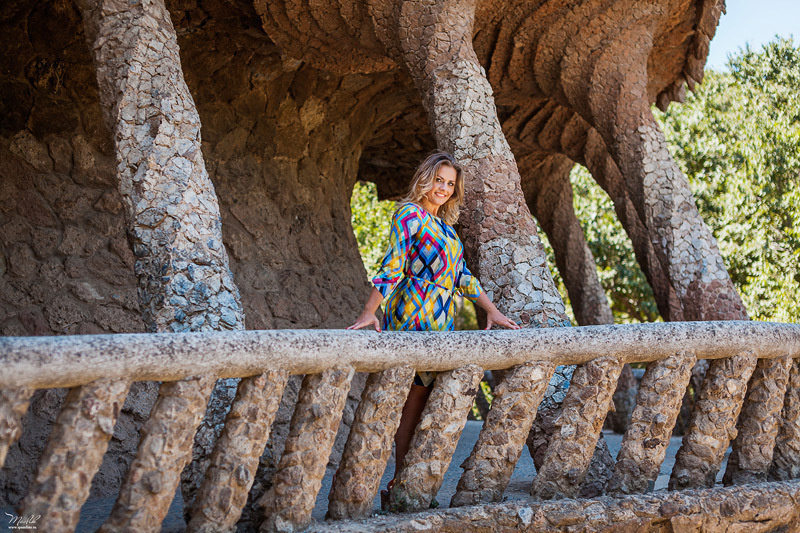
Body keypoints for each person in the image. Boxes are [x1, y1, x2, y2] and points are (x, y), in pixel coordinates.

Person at [347, 151, 519, 505]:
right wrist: (369, 311)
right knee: (410, 406)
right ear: (425, 179)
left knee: (427, 405)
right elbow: (392, 265)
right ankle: (399, 485)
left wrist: (493, 312)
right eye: (438, 180)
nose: (443, 188)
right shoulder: (409, 215)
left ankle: (411, 483)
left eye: (450, 183)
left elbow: (463, 278)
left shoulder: (447, 230)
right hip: (412, 318)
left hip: (441, 325)